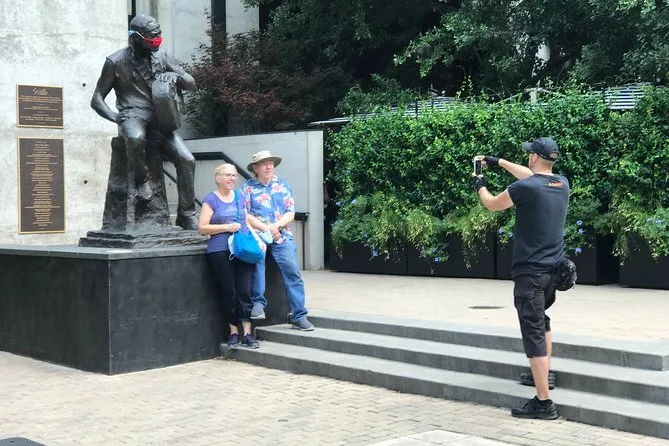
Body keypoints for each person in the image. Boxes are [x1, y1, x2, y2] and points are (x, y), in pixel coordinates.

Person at [473, 137, 569, 420]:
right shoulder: (561, 183)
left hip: (530, 274)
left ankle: (544, 403)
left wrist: (479, 183)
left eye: (530, 154)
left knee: (533, 332)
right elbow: (534, 178)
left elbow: (492, 204)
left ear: (535, 158)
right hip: (553, 272)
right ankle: (544, 375)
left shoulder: (525, 188)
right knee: (542, 322)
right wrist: (499, 162)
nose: (528, 157)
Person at [90, 14, 198, 230]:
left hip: (160, 119)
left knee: (187, 159)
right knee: (135, 137)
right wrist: (114, 117)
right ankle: (143, 180)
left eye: (159, 36)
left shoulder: (163, 56)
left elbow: (191, 84)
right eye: (151, 38)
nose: (156, 41)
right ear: (136, 38)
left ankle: (186, 214)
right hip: (133, 115)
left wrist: (176, 77)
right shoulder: (115, 62)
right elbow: (96, 99)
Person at [242, 150, 315, 331]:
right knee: (257, 261)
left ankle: (299, 316)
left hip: (281, 235)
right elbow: (245, 215)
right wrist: (265, 228)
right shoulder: (247, 188)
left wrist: (277, 226)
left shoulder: (283, 185)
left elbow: (290, 212)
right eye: (264, 164)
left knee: (293, 271)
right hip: (258, 235)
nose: (268, 167)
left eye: (271, 163)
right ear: (256, 168)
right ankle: (258, 304)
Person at [198, 163, 265, 349]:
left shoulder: (240, 196)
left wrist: (257, 237)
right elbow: (202, 228)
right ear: (218, 178)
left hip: (242, 249)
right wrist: (226, 227)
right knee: (229, 291)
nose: (232, 178)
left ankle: (248, 333)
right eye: (227, 175)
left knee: (245, 290)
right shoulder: (211, 199)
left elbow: (245, 220)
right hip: (220, 250)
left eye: (234, 175)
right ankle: (233, 332)